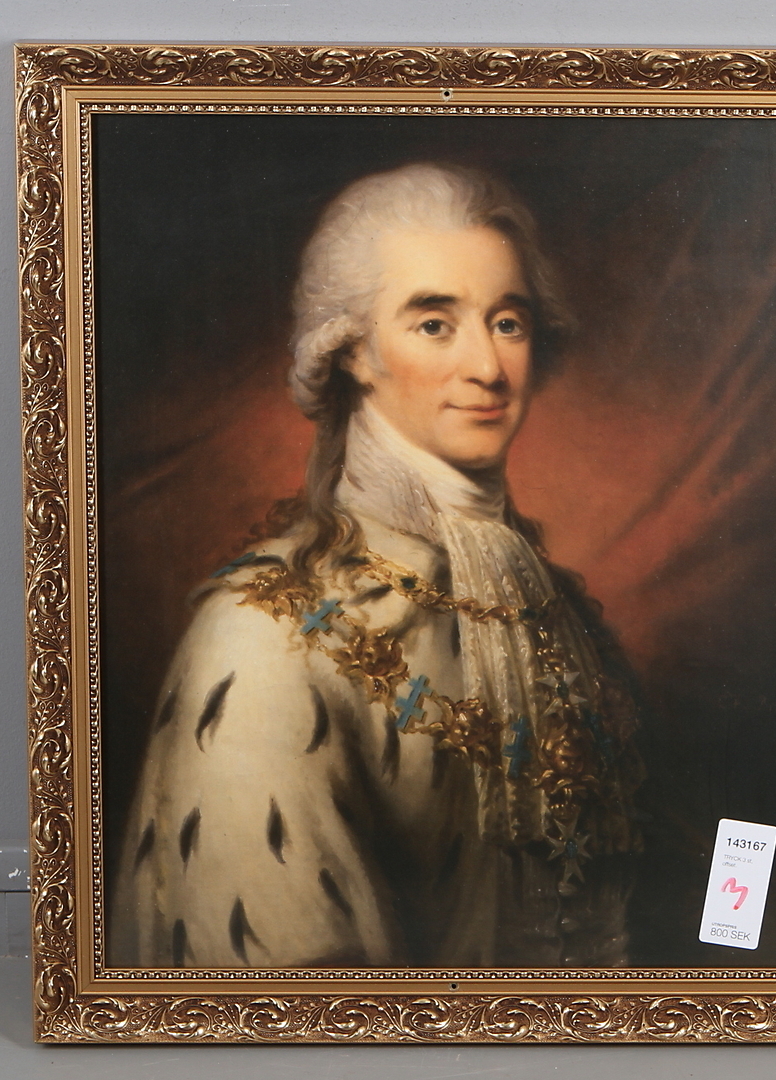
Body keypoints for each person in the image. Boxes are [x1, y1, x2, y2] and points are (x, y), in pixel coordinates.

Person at [110, 163, 643, 970]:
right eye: (434, 324)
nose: (489, 368)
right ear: (353, 351)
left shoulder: (548, 605)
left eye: (507, 322)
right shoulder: (263, 635)